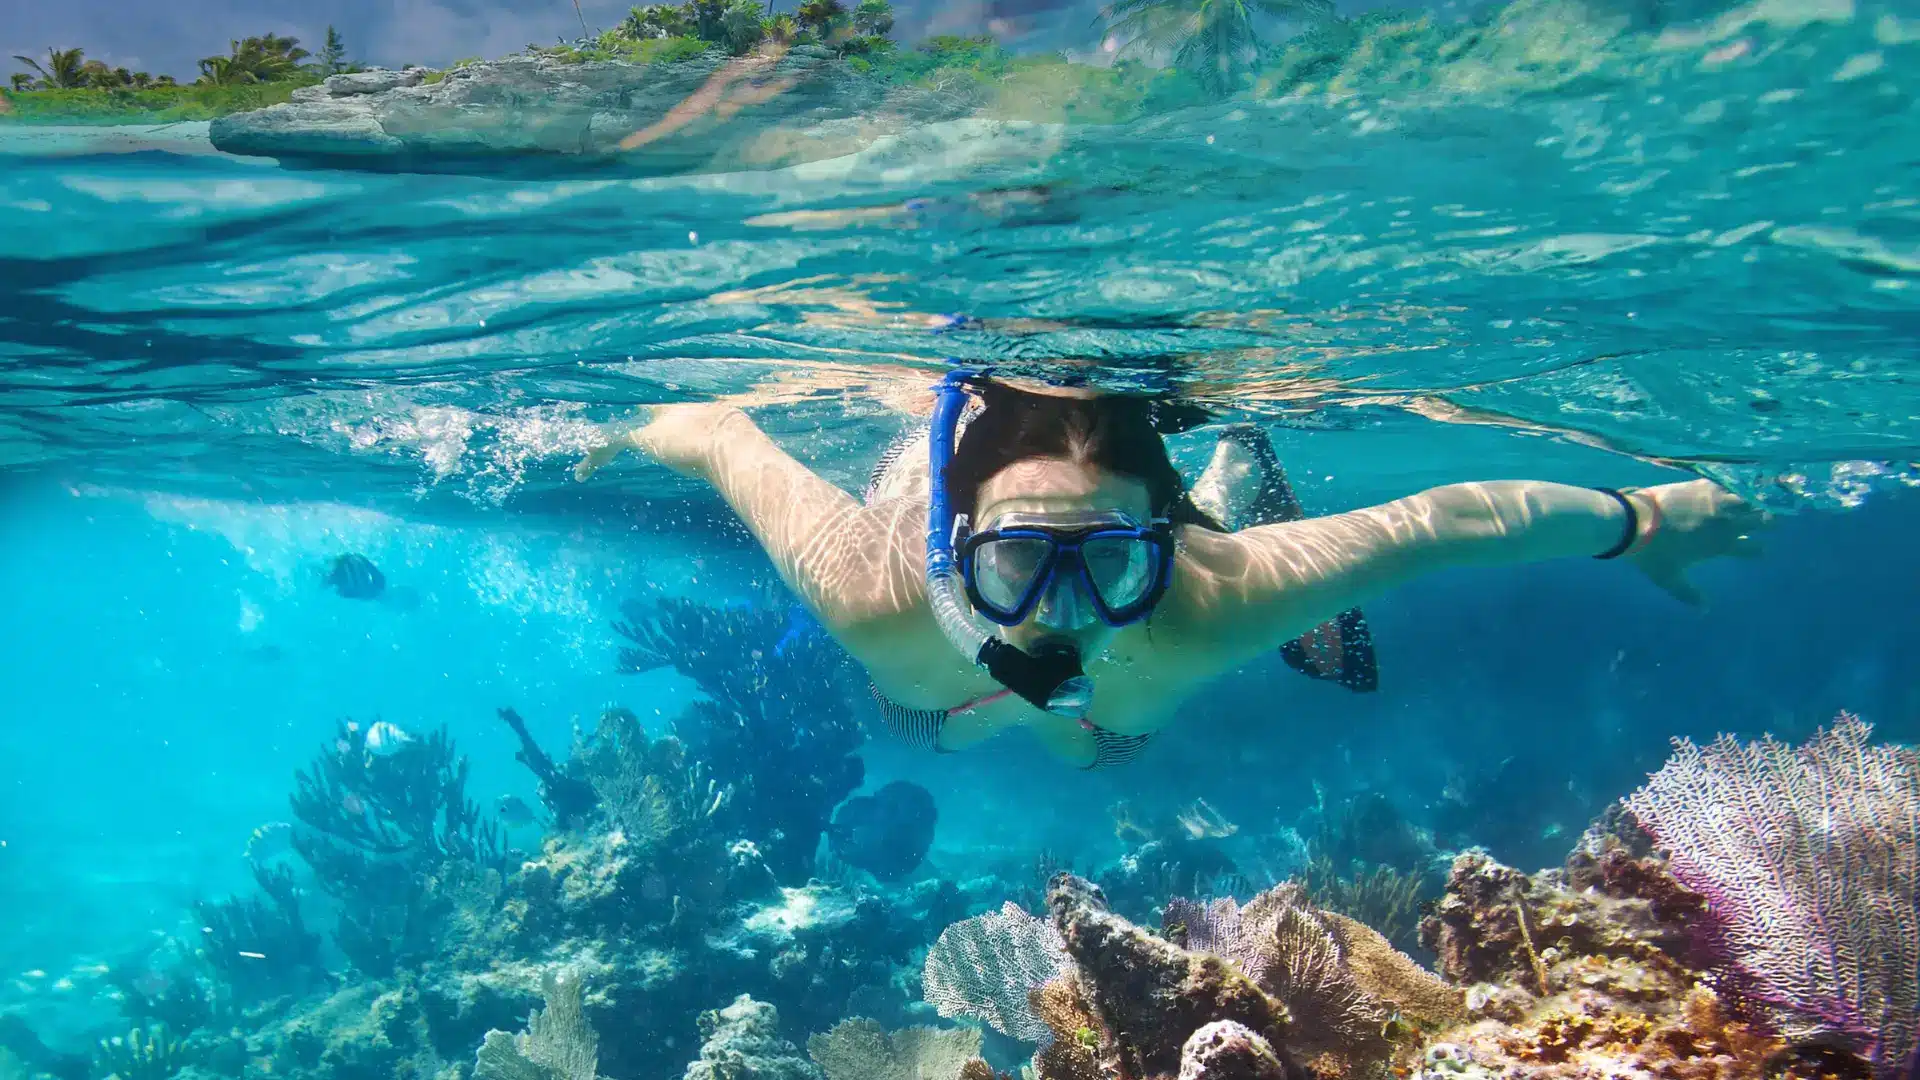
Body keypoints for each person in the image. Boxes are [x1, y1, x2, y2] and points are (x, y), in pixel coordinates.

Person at [575, 374, 1766, 769]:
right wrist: (625, 433)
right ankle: (1220, 492)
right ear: (957, 549)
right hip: (932, 684)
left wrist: (1642, 517)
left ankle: (1229, 481)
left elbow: (1445, 521)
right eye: (1023, 561)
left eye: (1109, 566)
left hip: (1168, 586)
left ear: (1164, 545)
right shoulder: (873, 591)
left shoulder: (1208, 596)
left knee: (1101, 738)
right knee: (923, 717)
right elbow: (725, 430)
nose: (1062, 613)